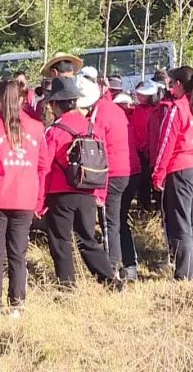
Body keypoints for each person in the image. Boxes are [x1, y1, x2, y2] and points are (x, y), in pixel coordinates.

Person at [0, 80, 50, 317]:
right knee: (18, 253)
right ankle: (17, 304)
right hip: (24, 198)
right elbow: (43, 165)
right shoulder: (37, 127)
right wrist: (39, 198)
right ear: (23, 99)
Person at [39, 77, 120, 290]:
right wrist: (101, 194)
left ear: (55, 104)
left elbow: (44, 167)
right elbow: (103, 162)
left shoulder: (54, 131)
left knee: (61, 242)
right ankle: (110, 281)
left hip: (60, 193)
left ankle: (67, 287)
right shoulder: (92, 127)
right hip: (88, 190)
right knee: (88, 239)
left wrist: (39, 201)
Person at [152, 67, 193, 281]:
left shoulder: (178, 108)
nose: (170, 88)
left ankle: (184, 273)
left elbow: (166, 143)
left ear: (178, 84)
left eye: (171, 84)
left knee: (181, 221)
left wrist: (158, 173)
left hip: (181, 167)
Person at [84, 69, 139, 282]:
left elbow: (96, 149)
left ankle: (112, 269)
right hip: (130, 170)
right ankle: (130, 264)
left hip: (113, 173)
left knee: (110, 223)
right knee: (120, 221)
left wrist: (98, 187)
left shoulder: (99, 112)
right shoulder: (115, 108)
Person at [131, 80, 160, 211]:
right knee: (142, 181)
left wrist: (147, 145)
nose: (139, 97)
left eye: (142, 95)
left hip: (152, 150)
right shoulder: (136, 110)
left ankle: (156, 206)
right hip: (139, 150)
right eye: (138, 94)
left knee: (152, 178)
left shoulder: (156, 110)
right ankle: (144, 206)